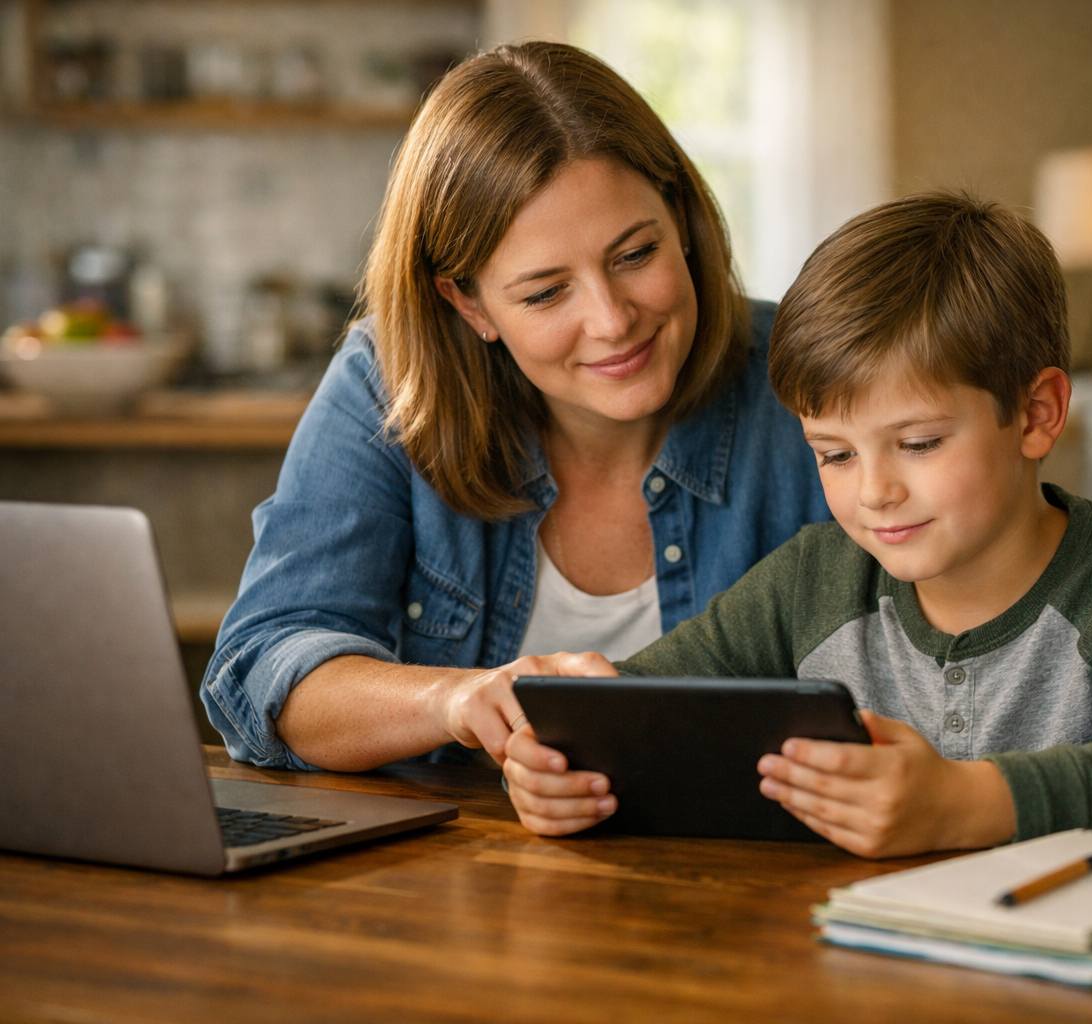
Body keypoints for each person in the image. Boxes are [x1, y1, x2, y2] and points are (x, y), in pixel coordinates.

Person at [503, 191, 1092, 857]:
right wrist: (557, 764)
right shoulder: (815, 576)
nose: (874, 492)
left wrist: (967, 802)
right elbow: (634, 704)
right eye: (834, 454)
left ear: (1036, 414)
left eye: (917, 444)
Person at [201, 42, 829, 774]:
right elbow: (264, 667)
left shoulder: (809, 373)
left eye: (634, 255)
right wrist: (457, 702)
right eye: (545, 292)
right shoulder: (389, 385)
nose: (611, 319)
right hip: (460, 878)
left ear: (682, 220)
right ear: (468, 303)